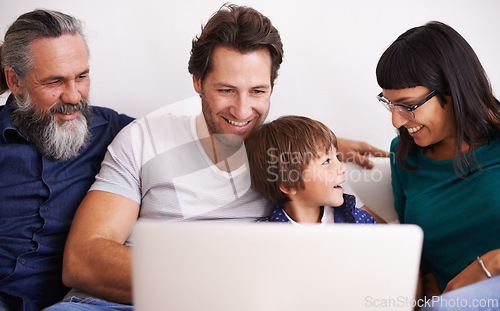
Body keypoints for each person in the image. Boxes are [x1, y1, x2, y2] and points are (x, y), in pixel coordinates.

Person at [46, 4, 389, 309]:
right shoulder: (143, 139)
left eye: (257, 91)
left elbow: (379, 243)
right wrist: (216, 285)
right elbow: (83, 259)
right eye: (226, 90)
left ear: (272, 86)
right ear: (198, 81)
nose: (242, 110)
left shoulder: (294, 154)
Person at [0, 9, 134, 311]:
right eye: (54, 82)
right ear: (15, 81)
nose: (73, 96)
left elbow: (189, 136)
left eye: (82, 76)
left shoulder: (117, 132)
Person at [376, 21, 500, 309]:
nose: (396, 121)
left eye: (407, 105)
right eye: (389, 103)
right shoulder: (404, 155)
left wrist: (490, 263)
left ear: (451, 90)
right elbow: (414, 249)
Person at [246, 115, 377, 224]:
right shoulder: (264, 234)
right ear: (288, 184)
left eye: (337, 157)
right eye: (326, 161)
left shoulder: (359, 221)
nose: (342, 167)